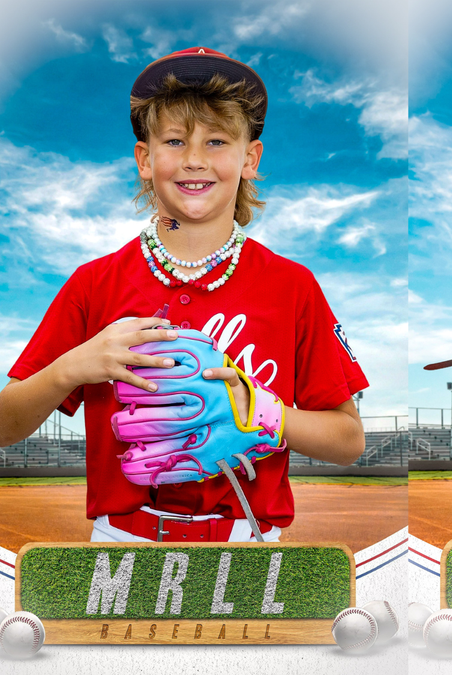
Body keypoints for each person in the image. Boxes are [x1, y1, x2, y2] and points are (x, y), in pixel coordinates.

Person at [0, 47, 368, 543]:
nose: (195, 160)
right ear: (145, 160)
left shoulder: (292, 285)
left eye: (216, 141)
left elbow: (348, 441)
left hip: (248, 541)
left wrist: (260, 414)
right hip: (122, 541)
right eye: (174, 141)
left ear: (250, 159)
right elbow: (5, 425)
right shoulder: (94, 283)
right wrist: (74, 366)